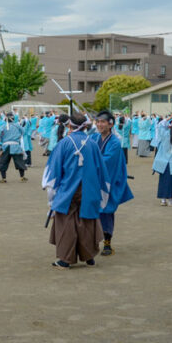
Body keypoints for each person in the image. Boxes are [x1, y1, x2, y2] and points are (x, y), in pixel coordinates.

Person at [42, 112, 110, 268]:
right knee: (87, 221)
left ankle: (65, 259)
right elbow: (101, 170)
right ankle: (89, 256)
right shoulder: (92, 144)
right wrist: (102, 193)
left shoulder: (64, 143)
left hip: (68, 189)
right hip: (90, 188)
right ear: (85, 126)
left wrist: (51, 198)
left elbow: (53, 171)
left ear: (69, 126)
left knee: (66, 222)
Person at [92, 110, 134, 256]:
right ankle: (93, 241)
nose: (99, 124)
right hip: (96, 180)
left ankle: (107, 243)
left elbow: (107, 161)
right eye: (97, 121)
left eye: (102, 122)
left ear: (110, 124)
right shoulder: (94, 137)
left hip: (109, 181)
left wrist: (89, 164)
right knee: (94, 210)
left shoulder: (115, 142)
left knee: (106, 211)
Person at [0, 114, 28, 182]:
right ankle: (22, 177)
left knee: (3, 162)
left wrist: (2, 140)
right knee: (19, 162)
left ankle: (3, 178)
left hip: (5, 147)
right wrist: (18, 136)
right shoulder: (17, 125)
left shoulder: (3, 126)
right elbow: (23, 132)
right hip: (16, 146)